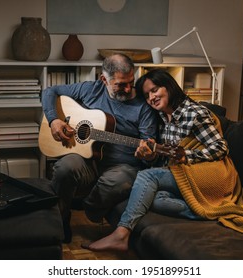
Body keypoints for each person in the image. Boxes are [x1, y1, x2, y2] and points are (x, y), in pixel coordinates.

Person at [82, 69, 243, 252]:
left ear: (168, 86)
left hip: (210, 174)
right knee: (154, 199)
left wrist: (187, 155)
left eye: (155, 90)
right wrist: (151, 156)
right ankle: (207, 211)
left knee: (147, 177)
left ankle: (122, 233)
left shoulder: (194, 113)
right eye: (147, 95)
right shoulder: (161, 119)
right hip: (183, 175)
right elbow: (167, 159)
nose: (151, 98)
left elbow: (220, 149)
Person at [41, 54, 158, 243]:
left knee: (119, 180)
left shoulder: (143, 107)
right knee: (65, 167)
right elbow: (49, 92)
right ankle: (61, 219)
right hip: (86, 159)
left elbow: (148, 152)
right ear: (104, 80)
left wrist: (148, 155)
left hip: (121, 166)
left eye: (131, 82)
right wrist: (54, 119)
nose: (128, 89)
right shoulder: (91, 89)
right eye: (121, 84)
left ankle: (87, 206)